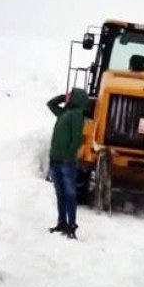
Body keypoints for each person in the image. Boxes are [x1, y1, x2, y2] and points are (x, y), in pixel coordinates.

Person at [45, 87, 87, 238]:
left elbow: (77, 139)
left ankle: (71, 225)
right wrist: (64, 97)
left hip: (66, 161)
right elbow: (50, 104)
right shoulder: (64, 113)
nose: (68, 96)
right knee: (60, 193)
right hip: (55, 159)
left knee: (69, 194)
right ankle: (62, 222)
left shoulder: (76, 115)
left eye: (71, 94)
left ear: (77, 98)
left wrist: (68, 155)